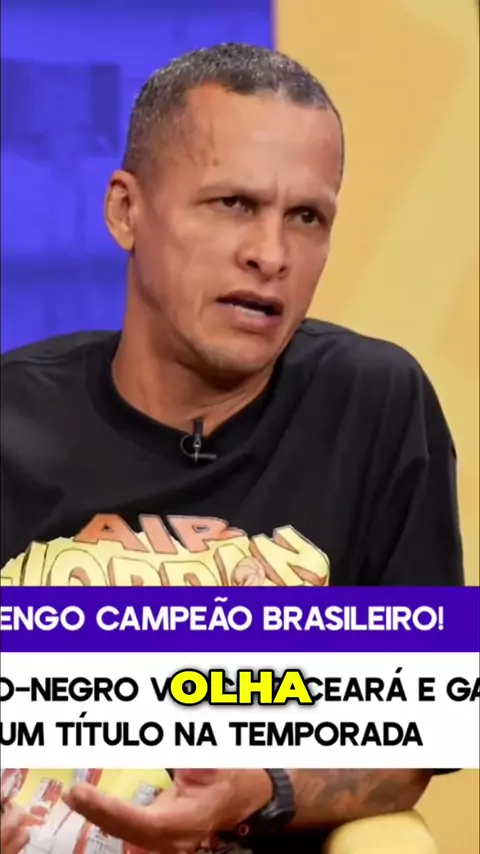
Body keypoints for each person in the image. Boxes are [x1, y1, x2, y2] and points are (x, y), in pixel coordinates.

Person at [1, 43, 463, 854]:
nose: (271, 255)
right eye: (233, 204)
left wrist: (257, 789)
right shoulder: (12, 418)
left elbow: (420, 733)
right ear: (126, 211)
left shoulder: (372, 406)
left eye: (307, 218)